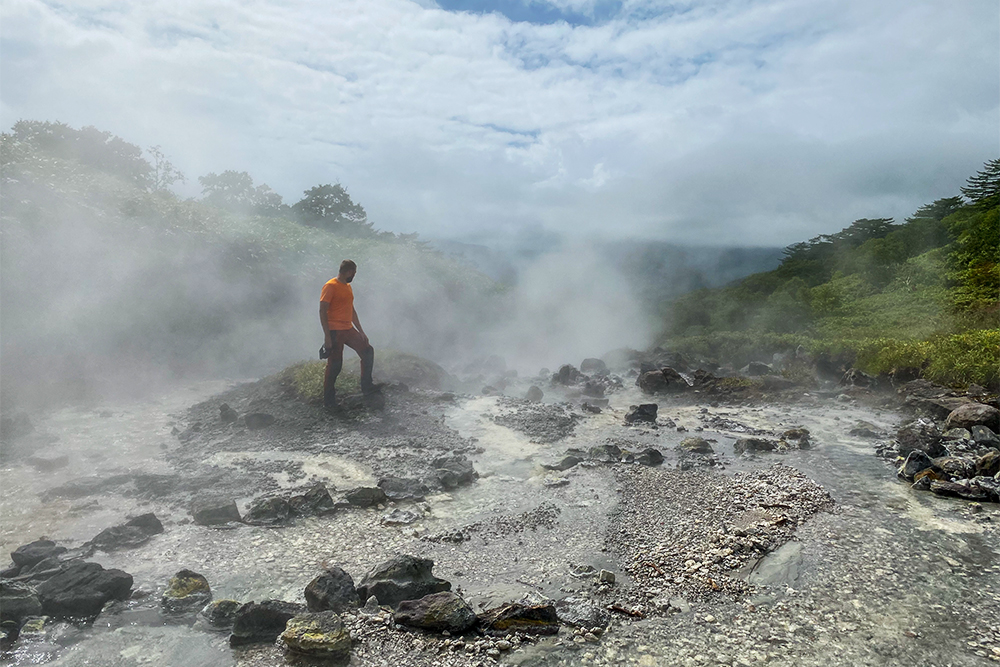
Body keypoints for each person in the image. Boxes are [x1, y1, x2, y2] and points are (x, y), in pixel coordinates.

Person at [319, 259, 376, 409]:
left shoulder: (347, 287)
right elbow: (322, 310)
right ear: (349, 271)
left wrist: (361, 331)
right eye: (354, 273)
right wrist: (327, 336)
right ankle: (329, 400)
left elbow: (351, 310)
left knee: (367, 351)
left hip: (348, 329)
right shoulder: (331, 286)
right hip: (335, 330)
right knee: (335, 365)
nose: (354, 276)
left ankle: (367, 387)